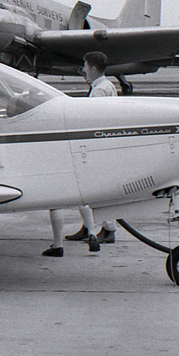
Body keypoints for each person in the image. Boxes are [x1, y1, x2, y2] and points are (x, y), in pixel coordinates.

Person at [64, 51, 117, 251]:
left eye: (85, 65)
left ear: (93, 68)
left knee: (90, 190)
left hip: (97, 148)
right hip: (104, 146)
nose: (84, 70)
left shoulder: (99, 91)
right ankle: (89, 228)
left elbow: (93, 120)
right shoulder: (106, 86)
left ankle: (106, 229)